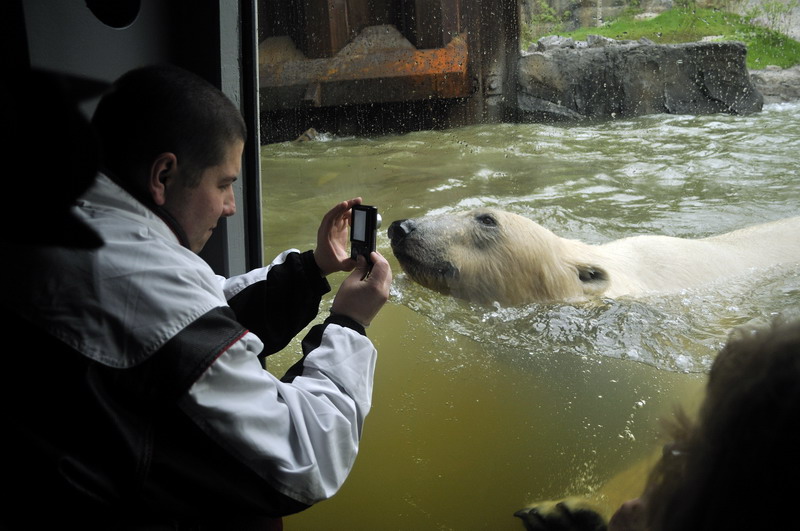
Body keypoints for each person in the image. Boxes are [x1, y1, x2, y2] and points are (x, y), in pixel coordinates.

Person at [1, 64, 392, 530]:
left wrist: (311, 270)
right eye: (223, 184)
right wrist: (349, 325)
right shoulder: (143, 281)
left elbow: (203, 317)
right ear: (163, 175)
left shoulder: (74, 228)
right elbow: (306, 458)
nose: (230, 207)